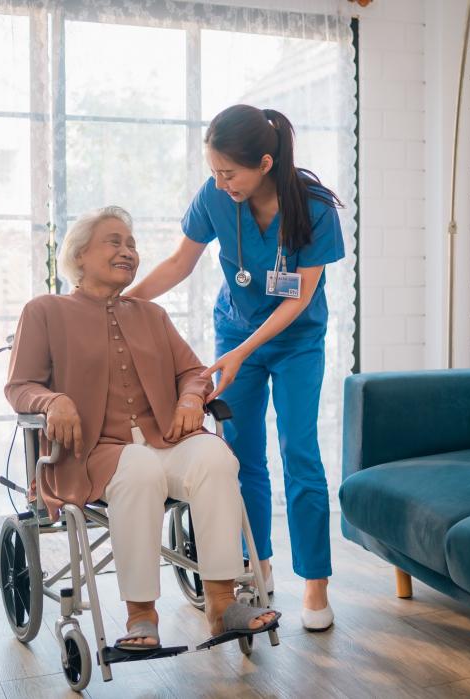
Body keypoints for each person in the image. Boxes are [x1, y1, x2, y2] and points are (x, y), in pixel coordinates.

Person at [4, 205, 279, 651]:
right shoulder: (45, 311)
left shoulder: (152, 316)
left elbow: (193, 371)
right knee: (139, 470)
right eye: (114, 242)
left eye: (131, 244)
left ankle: (222, 603)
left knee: (215, 456)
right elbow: (20, 386)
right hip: (94, 454)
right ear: (78, 255)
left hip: (165, 442)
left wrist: (192, 397)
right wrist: (52, 400)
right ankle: (141, 616)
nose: (128, 251)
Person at [128, 105, 345, 631]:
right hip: (235, 331)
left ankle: (315, 584)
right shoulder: (215, 197)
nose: (220, 182)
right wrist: (124, 301)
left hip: (295, 342)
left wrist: (244, 350)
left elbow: (300, 299)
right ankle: (258, 566)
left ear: (265, 163)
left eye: (230, 173)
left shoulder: (313, 208)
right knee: (242, 455)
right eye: (214, 171)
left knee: (299, 451)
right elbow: (181, 262)